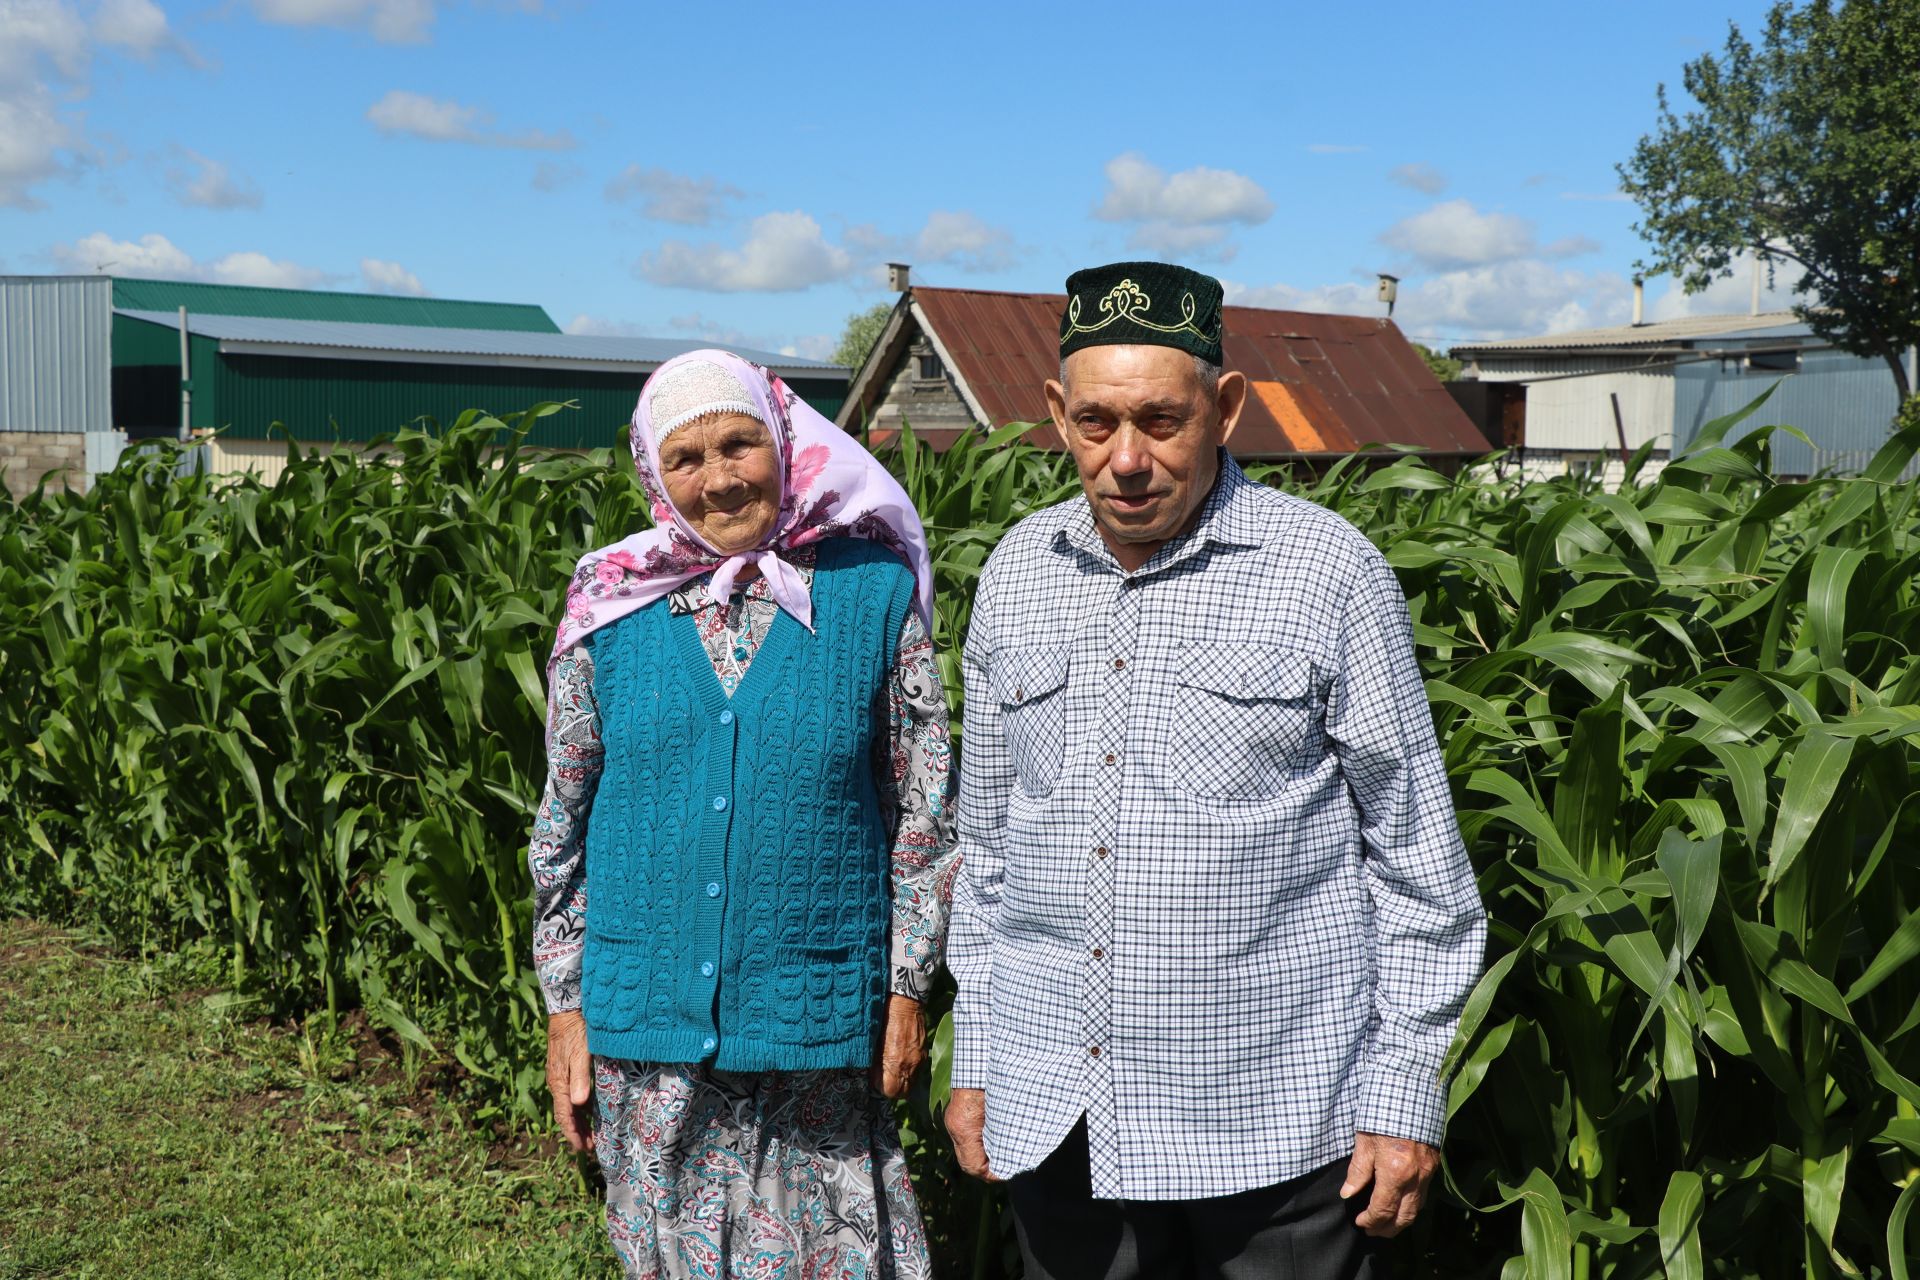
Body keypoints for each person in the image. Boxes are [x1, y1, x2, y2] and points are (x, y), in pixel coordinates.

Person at [944, 263, 1485, 1279]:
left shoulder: (1328, 570)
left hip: (1273, 1122)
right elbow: (989, 851)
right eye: (1096, 422)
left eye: (1162, 418)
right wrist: (980, 1060)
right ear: (1057, 412)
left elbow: (1418, 863)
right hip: (1061, 1115)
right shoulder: (1018, 572)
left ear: (1226, 407)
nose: (1128, 459)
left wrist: (1403, 1092)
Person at [528, 349, 959, 1279]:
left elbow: (925, 813)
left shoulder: (872, 592)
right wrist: (566, 1010)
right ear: (652, 471)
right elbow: (561, 823)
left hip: (816, 1019)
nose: (719, 479)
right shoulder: (609, 604)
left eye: (738, 444)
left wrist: (907, 986)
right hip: (649, 1023)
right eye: (687, 458)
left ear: (785, 442)